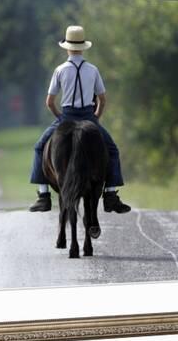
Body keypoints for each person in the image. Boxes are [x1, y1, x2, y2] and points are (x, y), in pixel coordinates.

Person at [28, 25, 131, 214]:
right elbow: (102, 99)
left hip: (66, 116)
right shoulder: (93, 70)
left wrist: (61, 118)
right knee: (113, 150)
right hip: (88, 116)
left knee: (39, 147)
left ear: (67, 48)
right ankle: (110, 195)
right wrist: (95, 118)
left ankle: (43, 196)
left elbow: (50, 102)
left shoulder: (59, 70)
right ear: (83, 48)